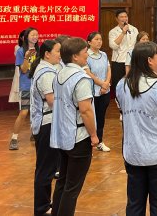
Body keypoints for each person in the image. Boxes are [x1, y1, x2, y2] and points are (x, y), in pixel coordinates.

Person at [116, 41, 157, 215]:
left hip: (132, 151)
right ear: (150, 60)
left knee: (135, 204)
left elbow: (122, 111)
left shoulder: (122, 85)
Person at [50, 37, 98, 216]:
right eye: (85, 52)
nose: (88, 55)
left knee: (63, 181)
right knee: (72, 188)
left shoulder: (59, 74)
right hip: (78, 137)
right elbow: (85, 110)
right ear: (75, 56)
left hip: (63, 135)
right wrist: (93, 135)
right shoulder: (81, 78)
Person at [29, 39, 61, 216]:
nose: (60, 55)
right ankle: (42, 208)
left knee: (46, 168)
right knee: (45, 169)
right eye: (57, 51)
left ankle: (44, 205)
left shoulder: (45, 68)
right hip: (46, 124)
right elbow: (52, 101)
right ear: (47, 54)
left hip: (45, 124)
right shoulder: (47, 73)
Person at [9, 27, 39, 150]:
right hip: (26, 85)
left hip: (38, 86)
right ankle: (14, 138)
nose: (35, 37)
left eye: (36, 35)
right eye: (32, 35)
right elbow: (24, 70)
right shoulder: (21, 51)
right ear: (26, 37)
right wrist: (26, 57)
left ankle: (35, 133)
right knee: (24, 112)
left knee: (37, 111)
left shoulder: (39, 51)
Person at [85, 32, 112, 152]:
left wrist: (106, 84)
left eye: (100, 39)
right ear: (89, 42)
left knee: (101, 118)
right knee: (91, 118)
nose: (99, 41)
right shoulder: (86, 55)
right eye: (96, 39)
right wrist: (102, 84)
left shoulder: (104, 54)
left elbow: (108, 69)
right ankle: (89, 143)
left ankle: (100, 141)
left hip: (104, 91)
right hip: (92, 92)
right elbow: (88, 73)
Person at [109, 10, 139, 91]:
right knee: (118, 85)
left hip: (132, 61)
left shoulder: (134, 29)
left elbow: (137, 44)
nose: (124, 18)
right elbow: (113, 46)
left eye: (126, 16)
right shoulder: (113, 31)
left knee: (132, 84)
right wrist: (123, 32)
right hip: (119, 61)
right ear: (117, 19)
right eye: (121, 17)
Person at [9, 29, 27, 104]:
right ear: (21, 38)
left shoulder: (33, 47)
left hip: (30, 70)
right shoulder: (17, 47)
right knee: (21, 89)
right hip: (21, 70)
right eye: (25, 36)